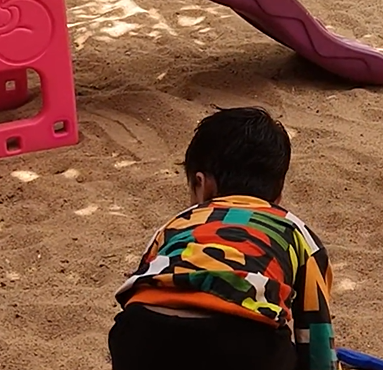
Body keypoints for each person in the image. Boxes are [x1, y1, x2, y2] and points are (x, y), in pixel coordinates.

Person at [110, 107, 334, 370]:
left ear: (201, 184)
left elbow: (141, 283)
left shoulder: (175, 225)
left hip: (142, 333)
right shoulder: (293, 229)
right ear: (278, 196)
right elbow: (315, 334)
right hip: (244, 340)